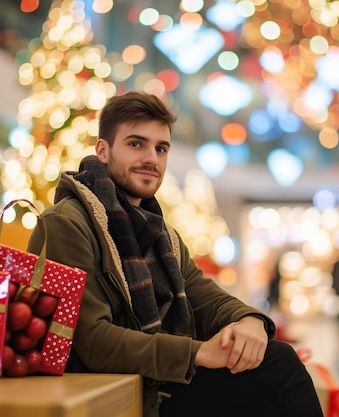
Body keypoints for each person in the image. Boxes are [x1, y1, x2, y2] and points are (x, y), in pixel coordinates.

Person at [27, 91, 323, 417]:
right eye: (136, 144)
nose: (152, 158)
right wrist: (197, 352)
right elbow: (93, 341)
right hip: (113, 389)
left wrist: (250, 320)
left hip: (158, 381)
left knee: (274, 363)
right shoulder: (66, 224)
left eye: (161, 148)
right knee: (277, 371)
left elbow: (206, 297)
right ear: (103, 151)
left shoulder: (160, 233)